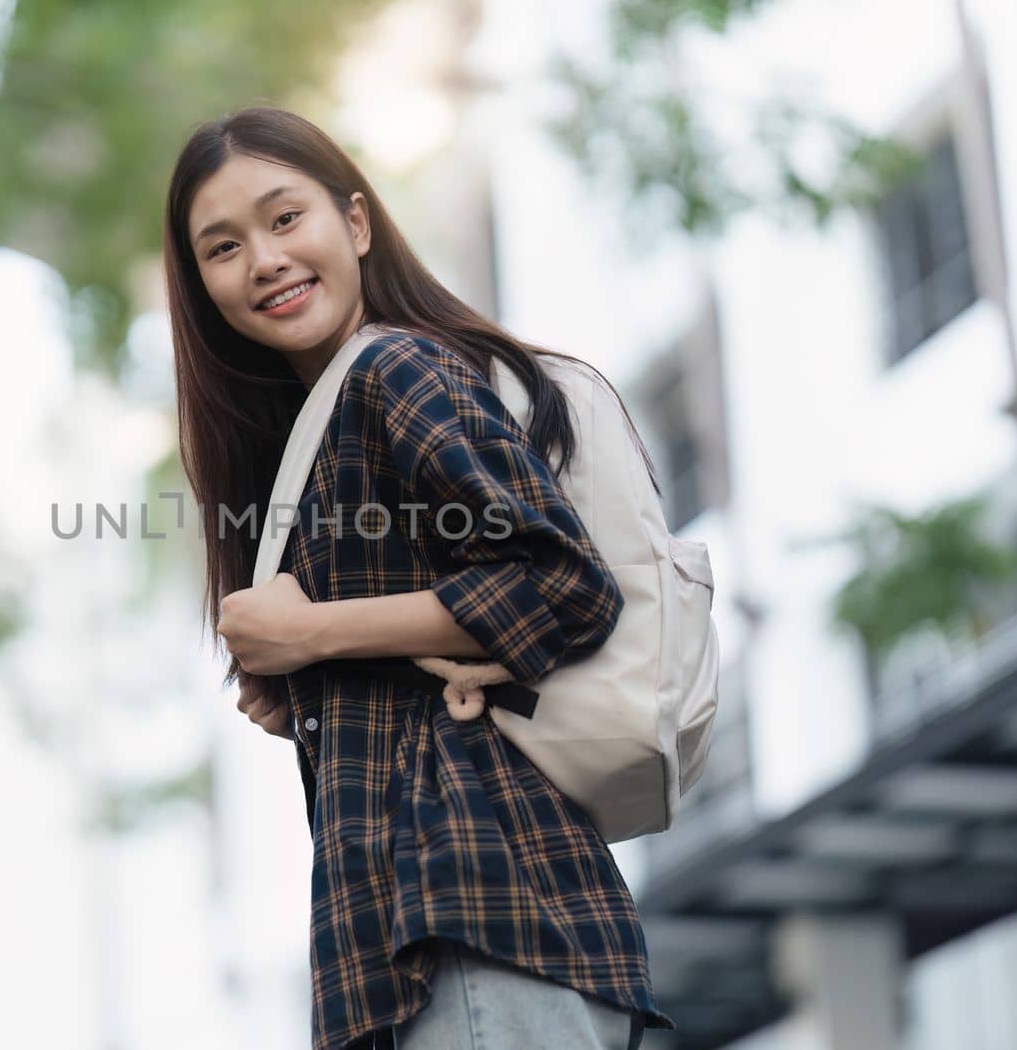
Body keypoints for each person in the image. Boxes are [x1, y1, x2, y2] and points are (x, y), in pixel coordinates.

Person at [162, 105, 676, 1050]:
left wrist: (315, 635)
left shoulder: (397, 368)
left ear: (355, 224)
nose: (265, 258)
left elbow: (562, 582)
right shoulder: (313, 439)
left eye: (285, 219)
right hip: (412, 945)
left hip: (477, 915)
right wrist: (304, 682)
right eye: (223, 246)